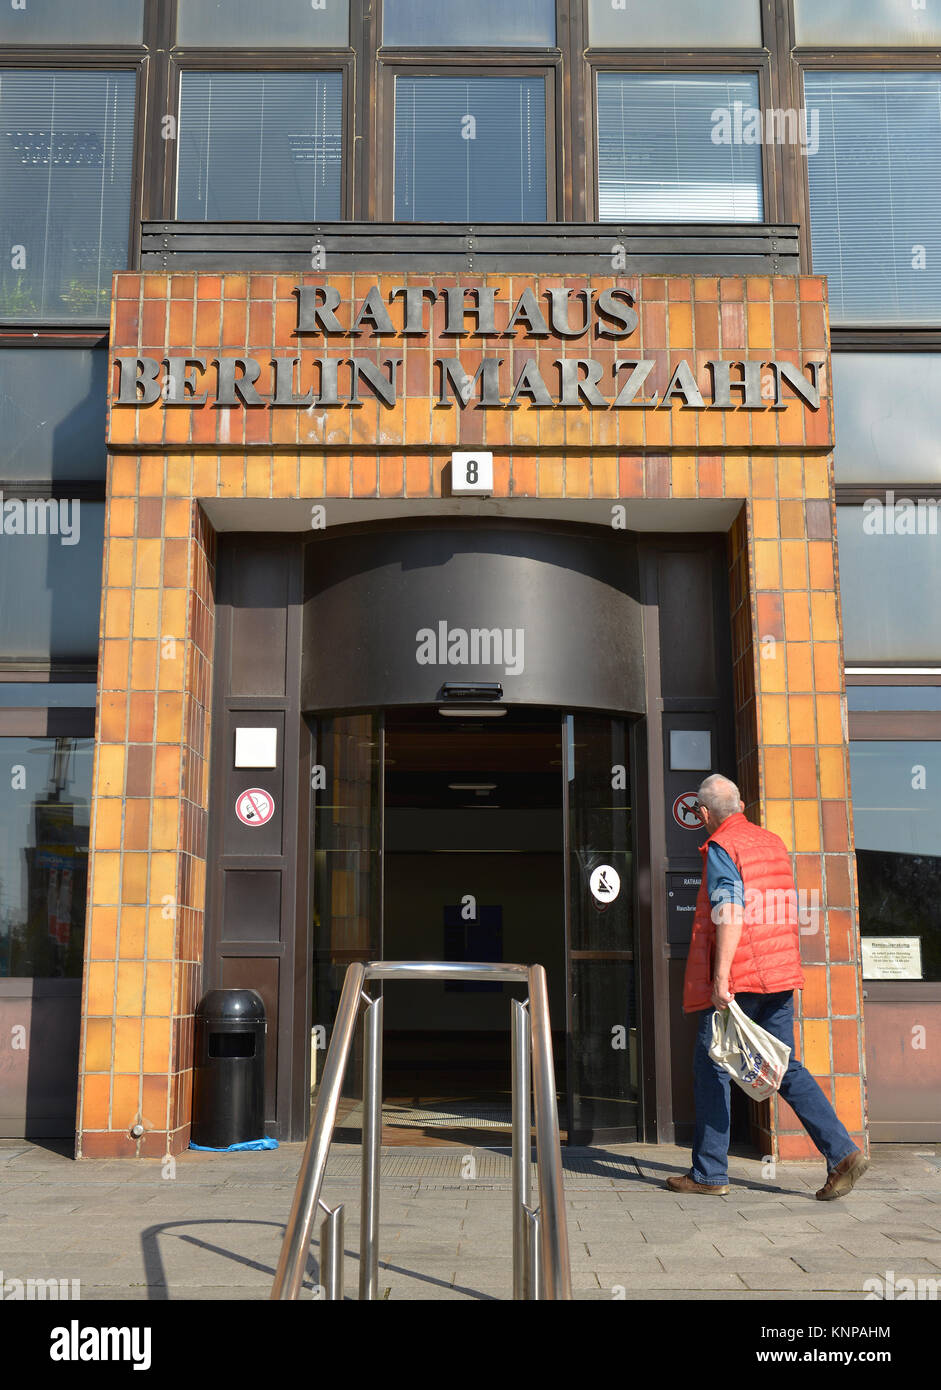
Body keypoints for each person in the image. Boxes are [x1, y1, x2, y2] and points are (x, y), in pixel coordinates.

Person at [666, 773, 869, 1201]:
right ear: (739, 805)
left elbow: (730, 911)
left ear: (704, 814)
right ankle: (843, 1153)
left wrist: (720, 979)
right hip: (779, 973)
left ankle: (709, 1173)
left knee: (713, 1067)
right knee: (784, 1066)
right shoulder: (772, 843)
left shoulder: (723, 846)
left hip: (742, 979)